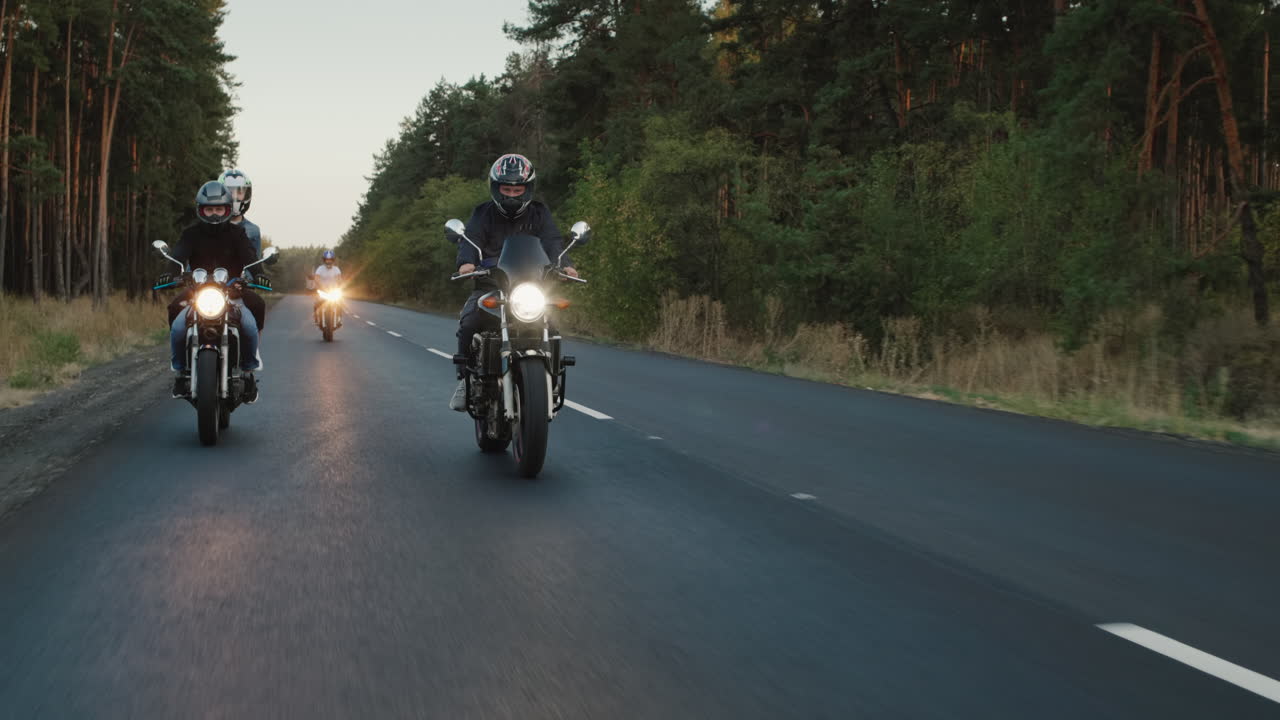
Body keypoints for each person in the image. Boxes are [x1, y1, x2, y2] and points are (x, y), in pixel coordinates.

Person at [449, 153, 577, 411]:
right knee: (470, 322)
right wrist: (466, 263)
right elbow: (470, 239)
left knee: (551, 326)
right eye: (506, 189)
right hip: (491, 284)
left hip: (531, 286)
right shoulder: (483, 213)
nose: (511, 195)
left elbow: (552, 241)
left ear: (527, 189)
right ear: (496, 188)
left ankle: (550, 379)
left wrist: (565, 264)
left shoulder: (539, 213)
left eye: (517, 190)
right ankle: (465, 380)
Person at [167, 181, 263, 400]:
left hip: (232, 292)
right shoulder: (191, 234)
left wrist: (258, 274)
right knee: (178, 325)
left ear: (227, 209)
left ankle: (248, 373)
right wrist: (170, 272)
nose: (214, 214)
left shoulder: (238, 233)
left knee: (249, 325)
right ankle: (180, 373)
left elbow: (250, 257)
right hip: (197, 293)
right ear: (201, 210)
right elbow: (178, 256)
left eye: (219, 209)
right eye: (209, 209)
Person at [219, 169, 267, 333]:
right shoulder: (210, 225)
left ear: (246, 195)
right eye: (229, 191)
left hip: (238, 287)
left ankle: (255, 348)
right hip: (209, 286)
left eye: (239, 192)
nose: (234, 196)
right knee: (179, 310)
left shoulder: (253, 230)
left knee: (258, 307)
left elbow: (254, 261)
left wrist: (250, 279)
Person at [311, 250, 343, 326]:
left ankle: (339, 319)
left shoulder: (336, 269)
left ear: (333, 260)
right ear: (324, 260)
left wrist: (340, 286)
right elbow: (317, 278)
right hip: (322, 291)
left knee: (340, 303)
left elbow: (339, 279)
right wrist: (320, 286)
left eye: (330, 260)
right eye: (327, 260)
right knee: (317, 303)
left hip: (333, 291)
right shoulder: (320, 269)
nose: (328, 261)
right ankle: (316, 318)